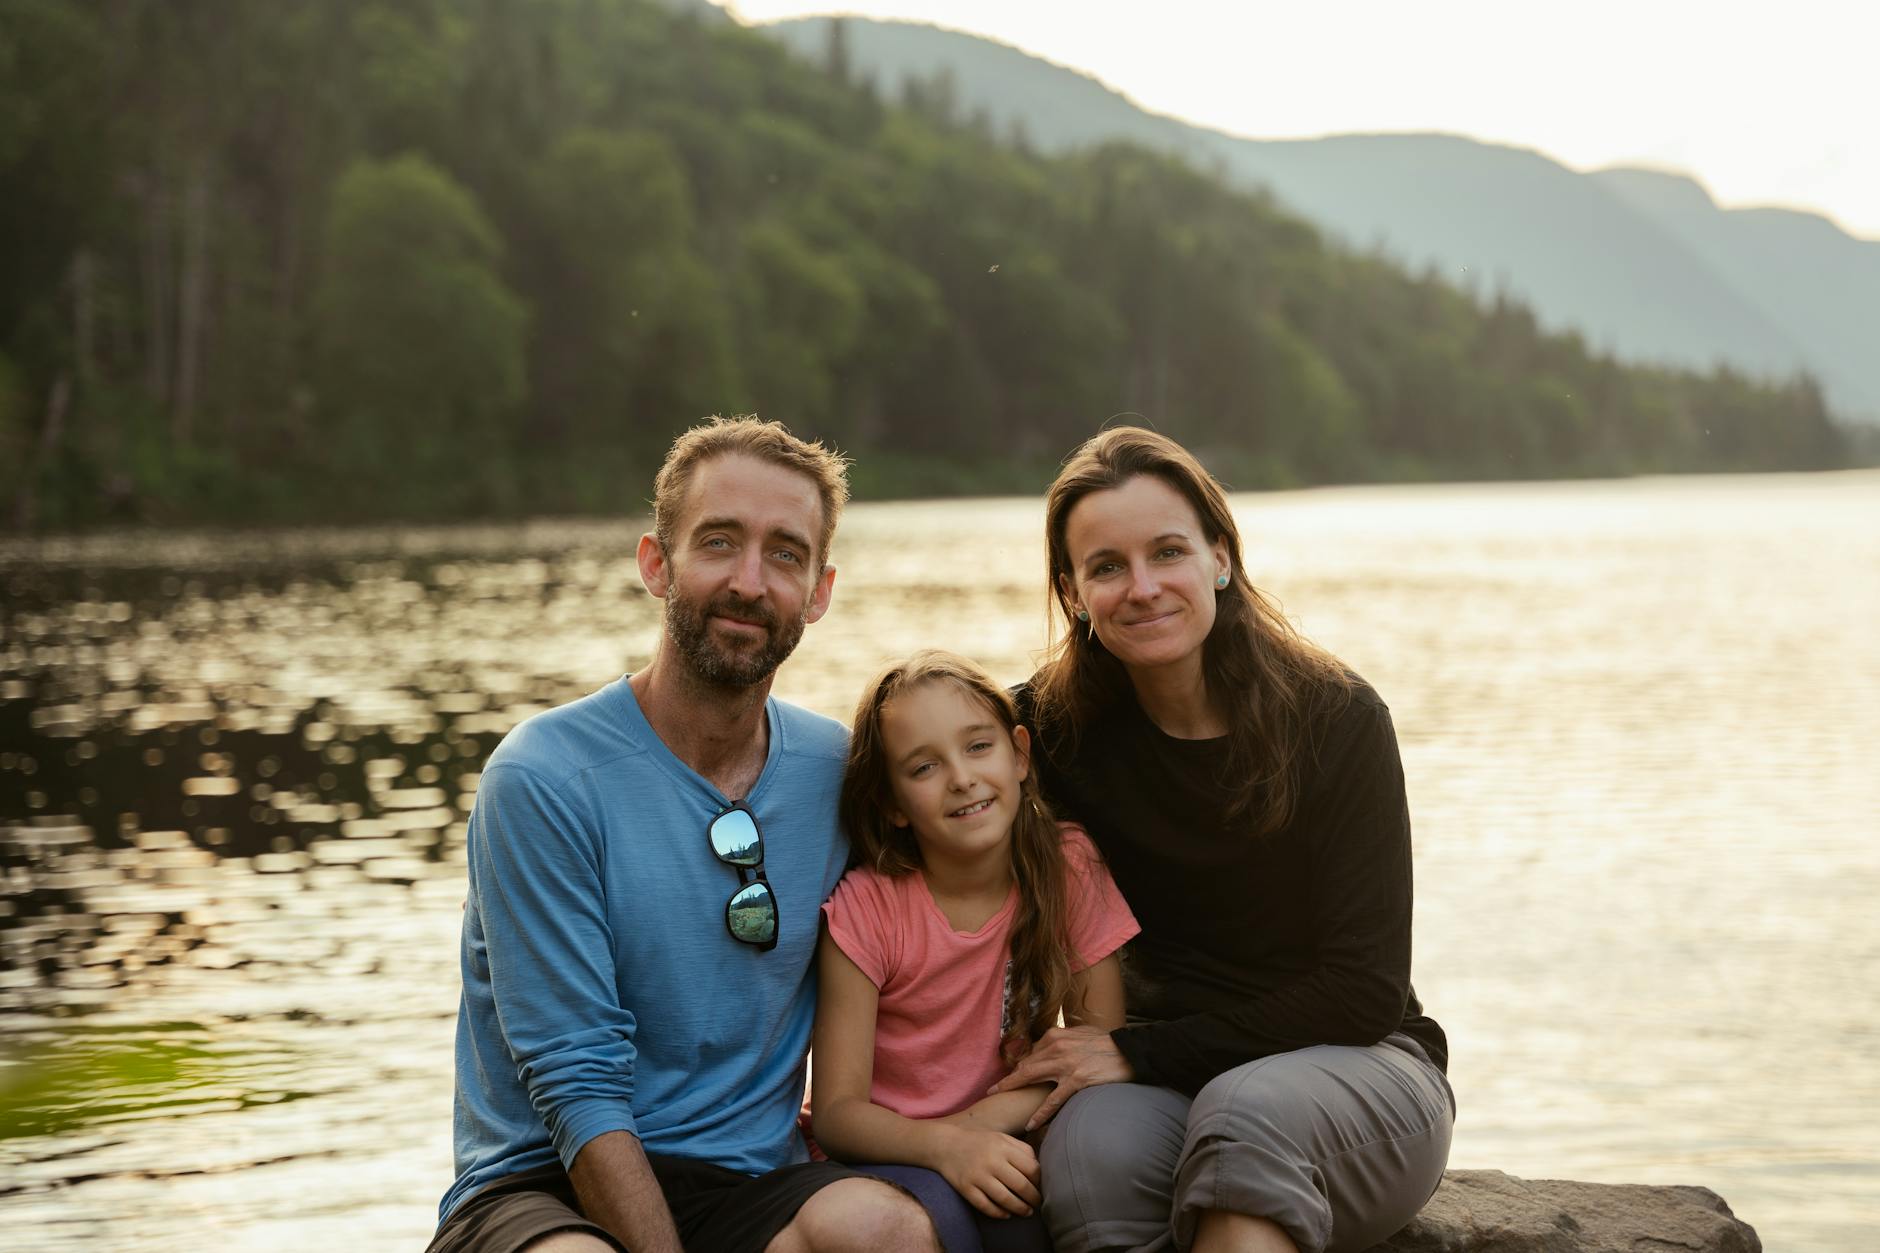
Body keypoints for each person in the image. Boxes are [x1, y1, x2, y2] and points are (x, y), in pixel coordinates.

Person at [429, 417, 941, 1253]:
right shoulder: (546, 777)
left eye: (785, 553)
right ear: (655, 563)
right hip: (540, 1184)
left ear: (819, 590)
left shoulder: (838, 770)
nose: (749, 580)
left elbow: (966, 868)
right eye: (718, 542)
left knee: (884, 1229)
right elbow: (575, 1083)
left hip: (748, 1184)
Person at [998, 428, 1455, 1253]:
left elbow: (1362, 991)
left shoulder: (1339, 720)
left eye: (1167, 551)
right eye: (1106, 566)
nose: (1142, 587)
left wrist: (1136, 1051)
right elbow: (913, 801)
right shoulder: (1046, 732)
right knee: (1086, 1154)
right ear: (1072, 593)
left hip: (1360, 1065)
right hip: (1159, 1078)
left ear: (1220, 556)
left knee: (1246, 1117)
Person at [809, 650, 1141, 1253]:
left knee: (1045, 1215)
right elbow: (835, 1113)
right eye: (924, 767)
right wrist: (948, 1145)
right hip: (887, 1156)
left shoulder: (1068, 867)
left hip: (1010, 1134)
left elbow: (1100, 1052)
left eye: (978, 747)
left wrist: (981, 1132)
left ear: (1019, 754)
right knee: (956, 1229)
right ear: (891, 804)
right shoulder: (869, 908)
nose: (961, 777)